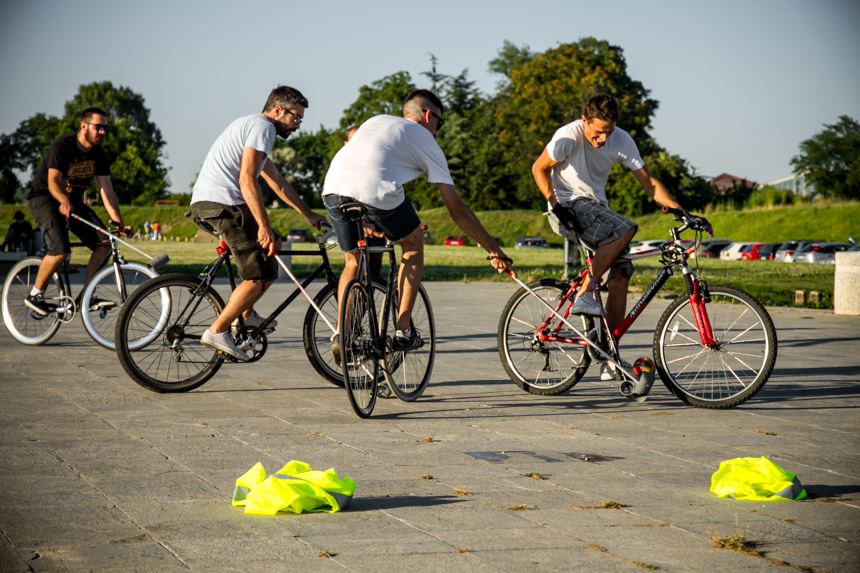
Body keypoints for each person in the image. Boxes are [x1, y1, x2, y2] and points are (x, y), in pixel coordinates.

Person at [323, 89, 513, 363]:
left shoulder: (376, 120)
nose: (438, 130)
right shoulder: (424, 137)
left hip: (332, 188)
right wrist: (493, 249)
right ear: (427, 115)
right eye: (440, 122)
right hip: (374, 190)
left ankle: (342, 333)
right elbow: (456, 209)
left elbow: (361, 165)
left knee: (353, 261)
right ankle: (403, 330)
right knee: (413, 246)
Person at [532, 94, 709, 378]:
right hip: (568, 206)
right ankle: (586, 293)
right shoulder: (567, 136)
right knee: (625, 228)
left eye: (608, 132)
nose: (602, 139)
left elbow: (649, 183)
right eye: (596, 132)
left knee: (621, 275)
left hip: (596, 208)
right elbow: (538, 168)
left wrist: (683, 211)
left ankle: (608, 356)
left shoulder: (622, 140)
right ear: (584, 121)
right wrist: (555, 204)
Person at [190, 85, 326, 360]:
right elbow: (246, 179)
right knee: (259, 275)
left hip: (209, 203)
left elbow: (277, 182)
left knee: (267, 263)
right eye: (295, 117)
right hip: (223, 205)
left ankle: (247, 315)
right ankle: (218, 329)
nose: (298, 125)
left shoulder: (251, 126)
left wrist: (308, 214)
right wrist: (263, 226)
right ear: (277, 109)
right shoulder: (263, 128)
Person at [24, 107, 125, 315]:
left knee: (104, 242)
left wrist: (118, 223)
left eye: (106, 128)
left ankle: (86, 295)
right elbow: (53, 182)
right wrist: (63, 200)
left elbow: (106, 190)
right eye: (99, 127)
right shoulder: (63, 145)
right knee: (60, 250)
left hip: (73, 201)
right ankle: (35, 294)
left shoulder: (99, 154)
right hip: (45, 198)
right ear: (84, 126)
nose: (103, 132)